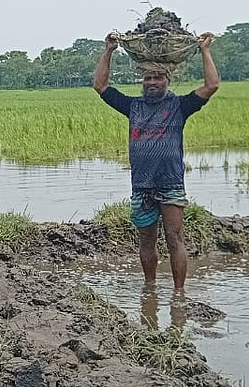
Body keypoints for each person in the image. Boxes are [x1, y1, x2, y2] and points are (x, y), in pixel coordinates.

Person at [92, 32, 219, 294]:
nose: (152, 82)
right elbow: (100, 86)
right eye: (148, 78)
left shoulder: (180, 106)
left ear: (167, 81)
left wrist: (205, 51)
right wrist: (108, 50)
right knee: (146, 241)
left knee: (175, 238)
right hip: (142, 185)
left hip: (170, 183)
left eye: (157, 77)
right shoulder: (133, 106)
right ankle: (149, 290)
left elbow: (211, 86)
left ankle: (179, 294)